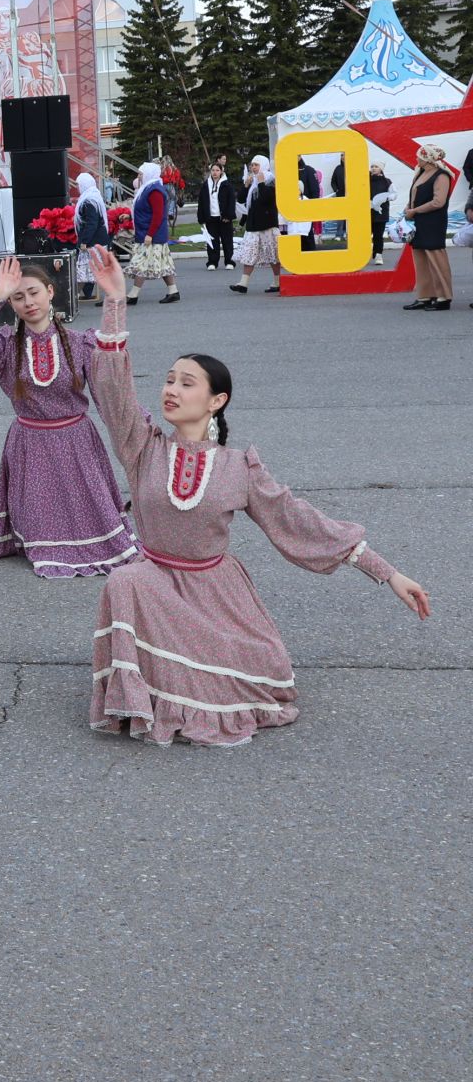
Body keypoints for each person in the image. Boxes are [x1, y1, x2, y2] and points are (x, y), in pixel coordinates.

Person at [84, 248, 429, 745]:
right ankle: (146, 689)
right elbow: (114, 390)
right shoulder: (143, 448)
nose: (171, 390)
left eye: (187, 383)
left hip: (217, 596)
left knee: (264, 682)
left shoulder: (237, 467)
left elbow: (298, 522)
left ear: (216, 400)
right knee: (126, 578)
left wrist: (388, 572)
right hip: (155, 586)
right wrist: (115, 302)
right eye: (168, 380)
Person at [0, 257, 137, 579]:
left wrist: (114, 300)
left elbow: (112, 390)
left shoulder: (81, 342)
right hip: (30, 443)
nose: (28, 302)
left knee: (92, 519)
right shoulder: (5, 346)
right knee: (43, 525)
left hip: (76, 441)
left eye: (34, 293)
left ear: (51, 292)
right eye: (18, 297)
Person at [401, 144, 454, 311]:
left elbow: (439, 202)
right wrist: (408, 208)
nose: (417, 159)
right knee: (420, 259)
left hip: (433, 222)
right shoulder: (422, 172)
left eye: (419, 156)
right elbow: (415, 195)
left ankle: (444, 297)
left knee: (436, 258)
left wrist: (414, 211)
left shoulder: (441, 175)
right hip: (419, 222)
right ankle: (425, 296)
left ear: (427, 158)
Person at [125, 160, 181, 305]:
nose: (139, 177)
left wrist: (150, 234)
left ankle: (133, 294)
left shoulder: (155, 190)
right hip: (148, 232)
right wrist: (129, 216)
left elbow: (158, 215)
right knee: (163, 264)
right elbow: (144, 209)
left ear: (149, 174)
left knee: (140, 264)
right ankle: (173, 291)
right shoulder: (148, 188)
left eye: (141, 174)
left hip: (151, 234)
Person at [229, 155, 283, 294]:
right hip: (253, 225)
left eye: (256, 165)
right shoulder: (253, 181)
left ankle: (277, 282)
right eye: (252, 165)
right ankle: (243, 283)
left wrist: (261, 183)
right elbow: (241, 199)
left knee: (273, 254)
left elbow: (267, 199)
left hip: (267, 224)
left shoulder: (270, 180)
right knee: (249, 252)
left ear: (263, 165)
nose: (253, 168)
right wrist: (246, 186)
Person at [73, 172, 110, 303]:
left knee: (84, 270)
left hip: (93, 242)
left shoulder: (88, 201)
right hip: (98, 240)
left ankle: (71, 299)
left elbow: (91, 223)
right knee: (92, 269)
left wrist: (84, 241)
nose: (77, 187)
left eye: (78, 184)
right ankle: (82, 295)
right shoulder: (93, 197)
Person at [198, 158, 237, 270]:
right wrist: (202, 218)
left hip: (224, 218)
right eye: (213, 170)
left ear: (221, 172)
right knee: (212, 241)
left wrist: (228, 216)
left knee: (227, 240)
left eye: (217, 170)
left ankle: (229, 261)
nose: (215, 173)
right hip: (211, 218)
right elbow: (201, 202)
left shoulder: (227, 185)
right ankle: (212, 262)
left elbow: (231, 201)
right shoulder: (206, 185)